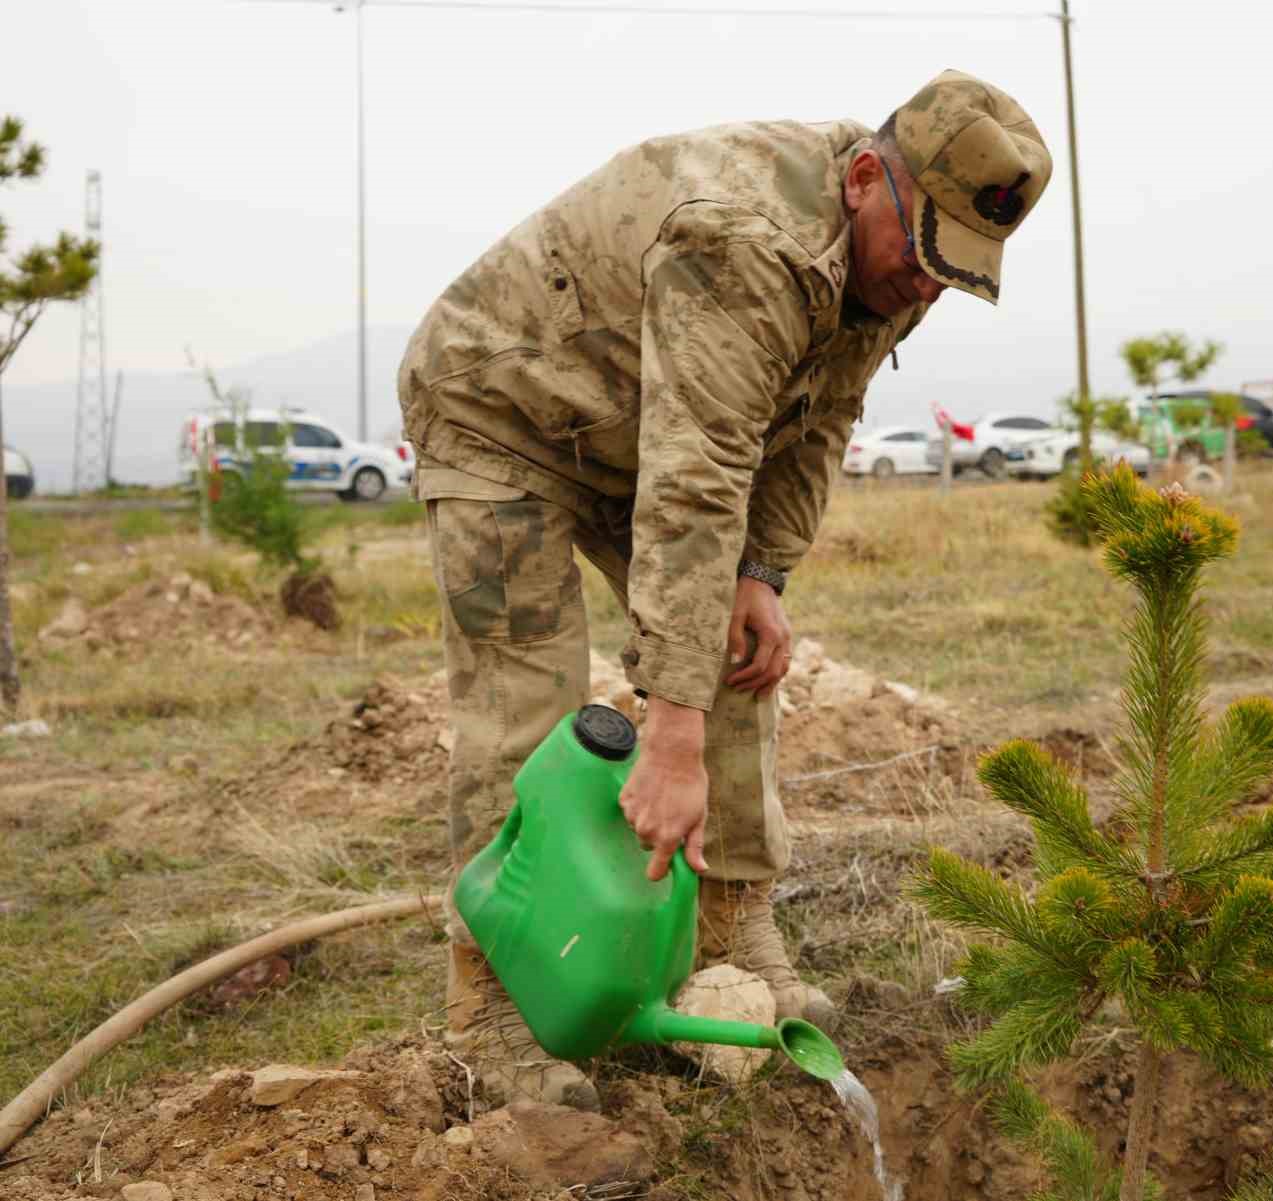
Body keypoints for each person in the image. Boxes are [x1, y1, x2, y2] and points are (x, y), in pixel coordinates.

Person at [399, 68, 1052, 1111]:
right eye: (925, 254)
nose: (929, 285)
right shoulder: (743, 240)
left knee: (740, 653)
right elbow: (694, 476)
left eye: (957, 270)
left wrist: (763, 576)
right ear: (866, 178)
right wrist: (666, 732)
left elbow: (816, 421)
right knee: (528, 707)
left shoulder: (895, 268)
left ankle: (733, 933)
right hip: (505, 408)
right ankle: (498, 1010)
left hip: (644, 430)